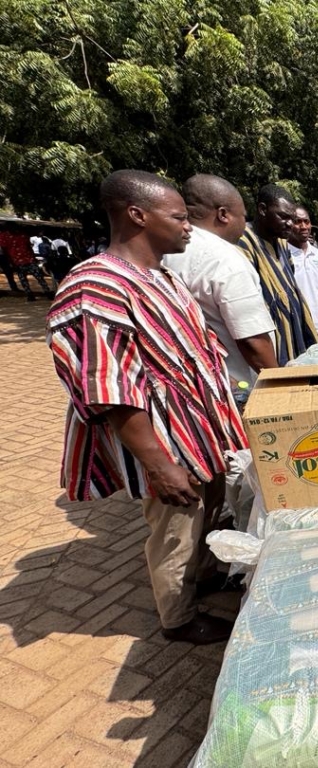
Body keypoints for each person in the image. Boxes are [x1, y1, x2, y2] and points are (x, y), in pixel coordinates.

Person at [47, 170, 246, 645]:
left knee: (204, 516)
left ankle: (202, 576)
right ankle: (178, 618)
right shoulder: (97, 286)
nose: (188, 226)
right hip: (167, 443)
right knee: (175, 530)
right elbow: (110, 389)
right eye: (178, 217)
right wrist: (159, 465)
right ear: (137, 215)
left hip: (200, 432)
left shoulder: (162, 276)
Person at [163, 174, 278, 388]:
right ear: (223, 214)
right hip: (235, 385)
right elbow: (251, 338)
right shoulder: (225, 258)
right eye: (243, 217)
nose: (245, 225)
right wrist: (280, 384)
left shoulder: (166, 252)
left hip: (189, 381)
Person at [237, 184, 318, 364]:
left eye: (292, 218)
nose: (289, 224)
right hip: (271, 340)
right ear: (262, 209)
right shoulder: (243, 243)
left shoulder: (281, 243)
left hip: (295, 333)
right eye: (283, 216)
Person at [287, 206, 318, 337]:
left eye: (306, 221)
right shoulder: (282, 254)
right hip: (294, 327)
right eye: (298, 222)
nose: (304, 226)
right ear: (289, 224)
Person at [0, 228, 53, 300]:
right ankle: (45, 292)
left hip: (20, 261)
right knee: (38, 277)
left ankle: (31, 294)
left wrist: (11, 261)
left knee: (25, 279)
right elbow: (28, 247)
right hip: (25, 260)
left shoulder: (6, 237)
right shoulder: (21, 236)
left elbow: (5, 249)